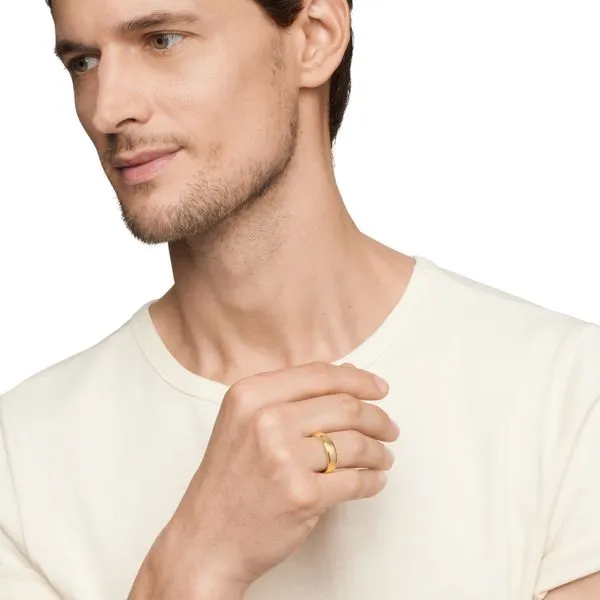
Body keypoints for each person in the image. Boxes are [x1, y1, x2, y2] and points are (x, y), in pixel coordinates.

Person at [1, 0, 599, 598]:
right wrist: (196, 560)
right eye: (83, 62)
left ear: (315, 37)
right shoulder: (19, 466)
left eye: (162, 40)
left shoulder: (568, 398)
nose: (107, 109)